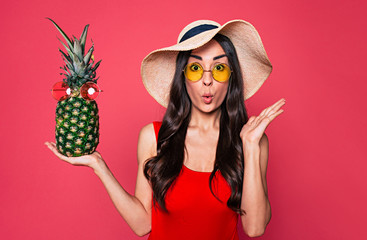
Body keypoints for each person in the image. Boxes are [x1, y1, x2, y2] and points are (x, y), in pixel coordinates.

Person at [45, 19, 286, 240]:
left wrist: (251, 146)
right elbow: (142, 225)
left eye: (219, 68)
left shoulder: (252, 140)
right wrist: (99, 166)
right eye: (195, 68)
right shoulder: (153, 136)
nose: (207, 80)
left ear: (232, 77)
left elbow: (255, 228)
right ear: (182, 77)